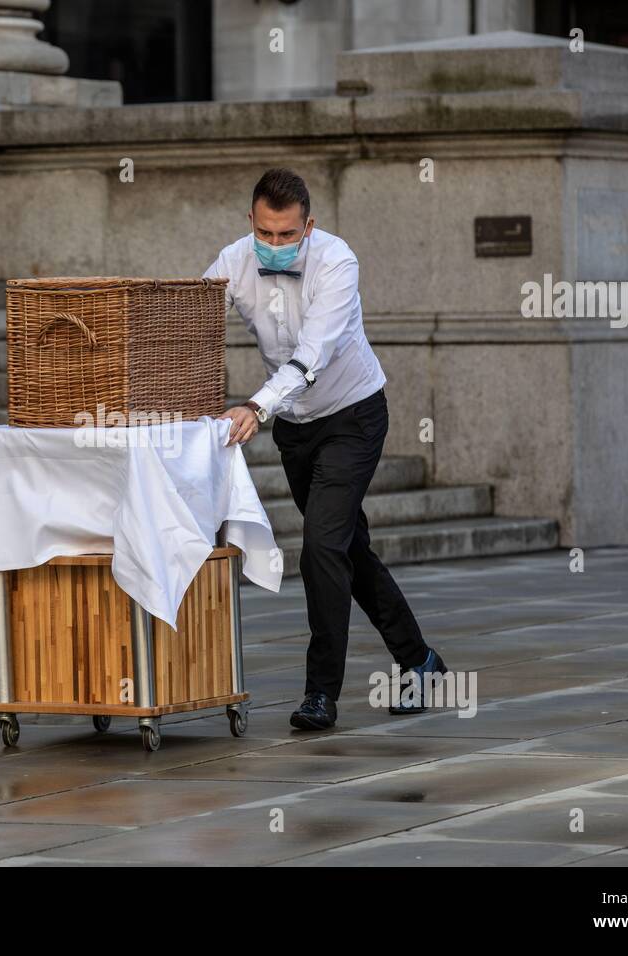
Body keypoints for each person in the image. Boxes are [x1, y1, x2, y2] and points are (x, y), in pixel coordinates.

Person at [204, 167, 448, 730]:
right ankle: (421, 661)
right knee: (344, 550)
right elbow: (188, 323)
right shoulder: (233, 261)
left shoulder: (338, 262)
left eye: (287, 235)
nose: (275, 245)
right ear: (251, 223)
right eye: (265, 233)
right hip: (296, 427)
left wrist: (254, 407)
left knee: (320, 546)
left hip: (354, 418)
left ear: (308, 226)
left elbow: (312, 355)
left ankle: (321, 693)